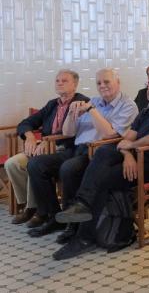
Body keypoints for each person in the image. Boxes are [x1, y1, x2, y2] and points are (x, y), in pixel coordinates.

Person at [52, 73, 149, 260]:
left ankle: (83, 236)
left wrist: (130, 147)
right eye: (148, 83)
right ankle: (82, 206)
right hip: (135, 161)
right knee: (105, 151)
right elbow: (126, 140)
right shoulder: (146, 113)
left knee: (103, 179)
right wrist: (127, 155)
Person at [43, 69, 139, 243]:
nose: (102, 86)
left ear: (118, 82)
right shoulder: (93, 101)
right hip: (77, 148)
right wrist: (72, 114)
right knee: (37, 165)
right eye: (98, 83)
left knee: (69, 169)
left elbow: (110, 134)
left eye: (107, 82)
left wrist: (92, 110)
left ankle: (73, 225)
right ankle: (53, 216)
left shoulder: (128, 105)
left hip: (101, 153)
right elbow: (68, 132)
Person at [6, 70, 89, 227]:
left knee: (35, 164)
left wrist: (49, 141)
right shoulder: (52, 104)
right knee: (13, 163)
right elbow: (26, 122)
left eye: (64, 80)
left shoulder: (82, 103)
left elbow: (75, 132)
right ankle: (30, 206)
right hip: (43, 147)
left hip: (67, 149)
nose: (59, 83)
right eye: (57, 80)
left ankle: (41, 211)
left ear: (75, 84)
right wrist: (30, 136)